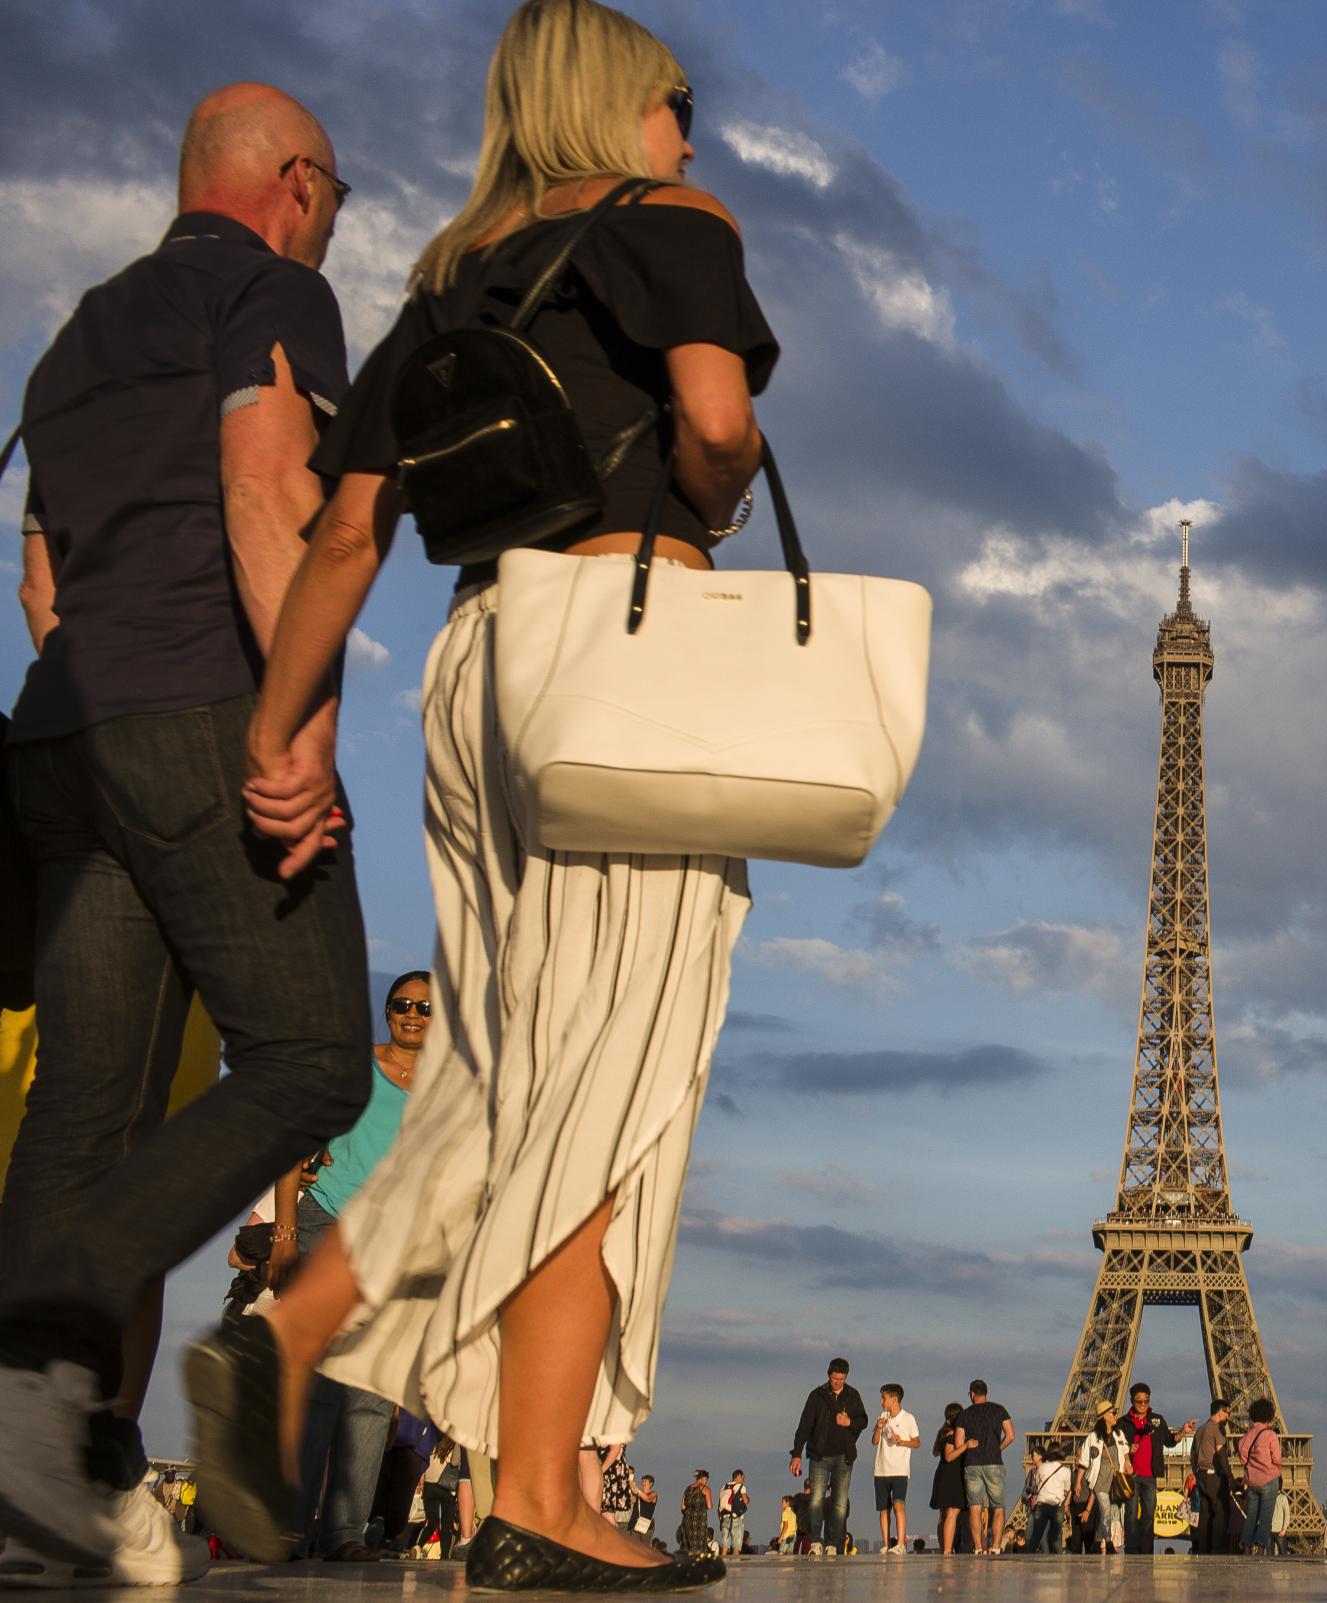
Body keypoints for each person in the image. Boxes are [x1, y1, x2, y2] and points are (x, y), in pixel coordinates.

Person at [180, 0, 776, 1591]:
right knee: (614, 1069)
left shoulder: (450, 276)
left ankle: (319, 1344)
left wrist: (278, 731)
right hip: (628, 653)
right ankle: (525, 1485)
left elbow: (348, 535)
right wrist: (710, 485)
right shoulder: (674, 224)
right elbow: (716, 424)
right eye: (678, 101)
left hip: (479, 671)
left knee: (518, 1067)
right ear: (619, 104)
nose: (692, 134)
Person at [0, 78, 369, 1585]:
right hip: (202, 720)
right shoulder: (275, 290)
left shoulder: (77, 334)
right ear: (292, 178)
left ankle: (31, 1463)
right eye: (334, 196)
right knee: (314, 1057)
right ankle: (72, 1303)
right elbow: (263, 492)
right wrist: (295, 728)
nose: (333, 224)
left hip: (62, 735)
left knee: (84, 1111)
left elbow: (41, 581)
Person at [293, 972, 428, 1561]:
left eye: (425, 1007)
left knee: (371, 1390)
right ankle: (293, 1528)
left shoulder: (449, 1089)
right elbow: (299, 1144)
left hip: (394, 1246)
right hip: (327, 1224)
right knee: (319, 1384)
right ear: (387, 1011)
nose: (413, 1015)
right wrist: (283, 1231)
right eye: (402, 1005)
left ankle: (345, 1532)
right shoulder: (356, 1068)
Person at [789, 1358, 869, 1558]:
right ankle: (816, 1542)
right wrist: (796, 1454)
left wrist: (849, 1421)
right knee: (816, 1500)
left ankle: (833, 1543)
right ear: (829, 1375)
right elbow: (804, 1426)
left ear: (846, 1377)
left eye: (841, 1379)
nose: (837, 1382)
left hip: (844, 1456)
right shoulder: (817, 1396)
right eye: (835, 1378)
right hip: (819, 1456)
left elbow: (863, 1420)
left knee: (839, 1502)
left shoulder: (852, 1395)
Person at [957, 1380, 1014, 1555]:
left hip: (972, 1464)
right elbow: (1010, 1435)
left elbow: (959, 1443)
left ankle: (978, 1548)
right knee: (998, 1507)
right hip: (994, 1462)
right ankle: (996, 1547)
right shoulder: (999, 1409)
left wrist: (969, 1445)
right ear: (986, 1393)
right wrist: (997, 1448)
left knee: (975, 1507)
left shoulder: (965, 1415)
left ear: (972, 1394)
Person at [1113, 1384, 1172, 1555]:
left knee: (1149, 1514)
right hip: (1131, 1475)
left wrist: (1183, 1431)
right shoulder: (1123, 1423)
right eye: (1139, 1401)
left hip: (1150, 1474)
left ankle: (1146, 1549)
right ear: (1132, 1401)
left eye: (1146, 1401)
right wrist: (1127, 1452)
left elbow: (1169, 1440)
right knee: (1131, 1514)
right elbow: (1115, 1446)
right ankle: (1132, 1548)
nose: (1143, 1404)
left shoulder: (1157, 1420)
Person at [869, 1383, 919, 1555]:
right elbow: (874, 1441)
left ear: (894, 1399)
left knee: (899, 1505)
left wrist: (901, 1441)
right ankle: (885, 1544)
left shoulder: (908, 1418)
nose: (881, 1401)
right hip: (881, 1470)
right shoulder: (882, 1416)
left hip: (899, 1470)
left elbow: (917, 1442)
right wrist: (878, 1427)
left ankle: (900, 1543)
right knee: (883, 1509)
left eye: (884, 1397)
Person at [1073, 1402, 1124, 1554]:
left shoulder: (1119, 1435)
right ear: (1104, 1417)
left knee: (1110, 1512)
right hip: (1100, 1481)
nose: (1116, 1415)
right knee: (1106, 1509)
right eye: (1113, 1413)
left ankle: (1097, 1540)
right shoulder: (1093, 1438)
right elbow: (1084, 1461)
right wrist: (1078, 1482)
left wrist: (1127, 1462)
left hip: (1115, 1482)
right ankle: (1108, 1542)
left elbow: (1126, 1452)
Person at [1234, 1399, 1283, 1556]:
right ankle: (1261, 1546)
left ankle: (1246, 1545)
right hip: (1269, 1480)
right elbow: (1277, 1458)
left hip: (1252, 1481)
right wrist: (1275, 1469)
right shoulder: (1270, 1435)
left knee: (1251, 1516)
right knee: (1266, 1516)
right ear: (1269, 1415)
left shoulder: (1247, 1436)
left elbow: (1242, 1456)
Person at [1189, 1397, 1235, 1555]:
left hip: (1201, 1475)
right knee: (1220, 1511)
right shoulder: (1215, 1429)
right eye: (1227, 1414)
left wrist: (1196, 1472)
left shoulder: (1200, 1430)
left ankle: (1204, 1549)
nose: (1228, 1418)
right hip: (1214, 1476)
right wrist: (1229, 1476)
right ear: (1221, 1412)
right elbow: (1221, 1453)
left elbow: (1192, 1455)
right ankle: (1218, 1549)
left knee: (1205, 1514)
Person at [929, 1402, 967, 1555]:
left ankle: (944, 1547)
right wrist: (966, 1446)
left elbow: (935, 1452)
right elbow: (949, 1456)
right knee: (952, 1512)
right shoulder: (952, 1435)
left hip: (942, 1474)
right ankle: (947, 1550)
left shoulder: (942, 1432)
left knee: (943, 1515)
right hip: (952, 1476)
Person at [1024, 1445, 1072, 1554]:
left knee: (1036, 1535)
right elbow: (1067, 1489)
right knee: (1056, 1537)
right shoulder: (1065, 1471)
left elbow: (1037, 1482)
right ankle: (1057, 1561)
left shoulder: (1042, 1467)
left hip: (1042, 1504)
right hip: (1057, 1505)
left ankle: (1029, 1557)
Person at [678, 1472, 712, 1558]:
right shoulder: (706, 1489)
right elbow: (709, 1506)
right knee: (699, 1544)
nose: (706, 1482)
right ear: (703, 1478)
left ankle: (689, 1562)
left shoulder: (688, 1489)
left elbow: (682, 1507)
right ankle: (699, 1564)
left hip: (687, 1519)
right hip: (700, 1520)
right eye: (706, 1480)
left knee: (689, 1543)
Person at [717, 1469, 747, 1558]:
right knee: (736, 1547)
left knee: (725, 1547)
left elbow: (719, 1505)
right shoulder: (740, 1486)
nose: (744, 1479)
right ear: (738, 1476)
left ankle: (723, 1566)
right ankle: (735, 1568)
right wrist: (748, 1499)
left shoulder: (724, 1487)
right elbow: (745, 1500)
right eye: (743, 1477)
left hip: (725, 1518)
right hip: (736, 1518)